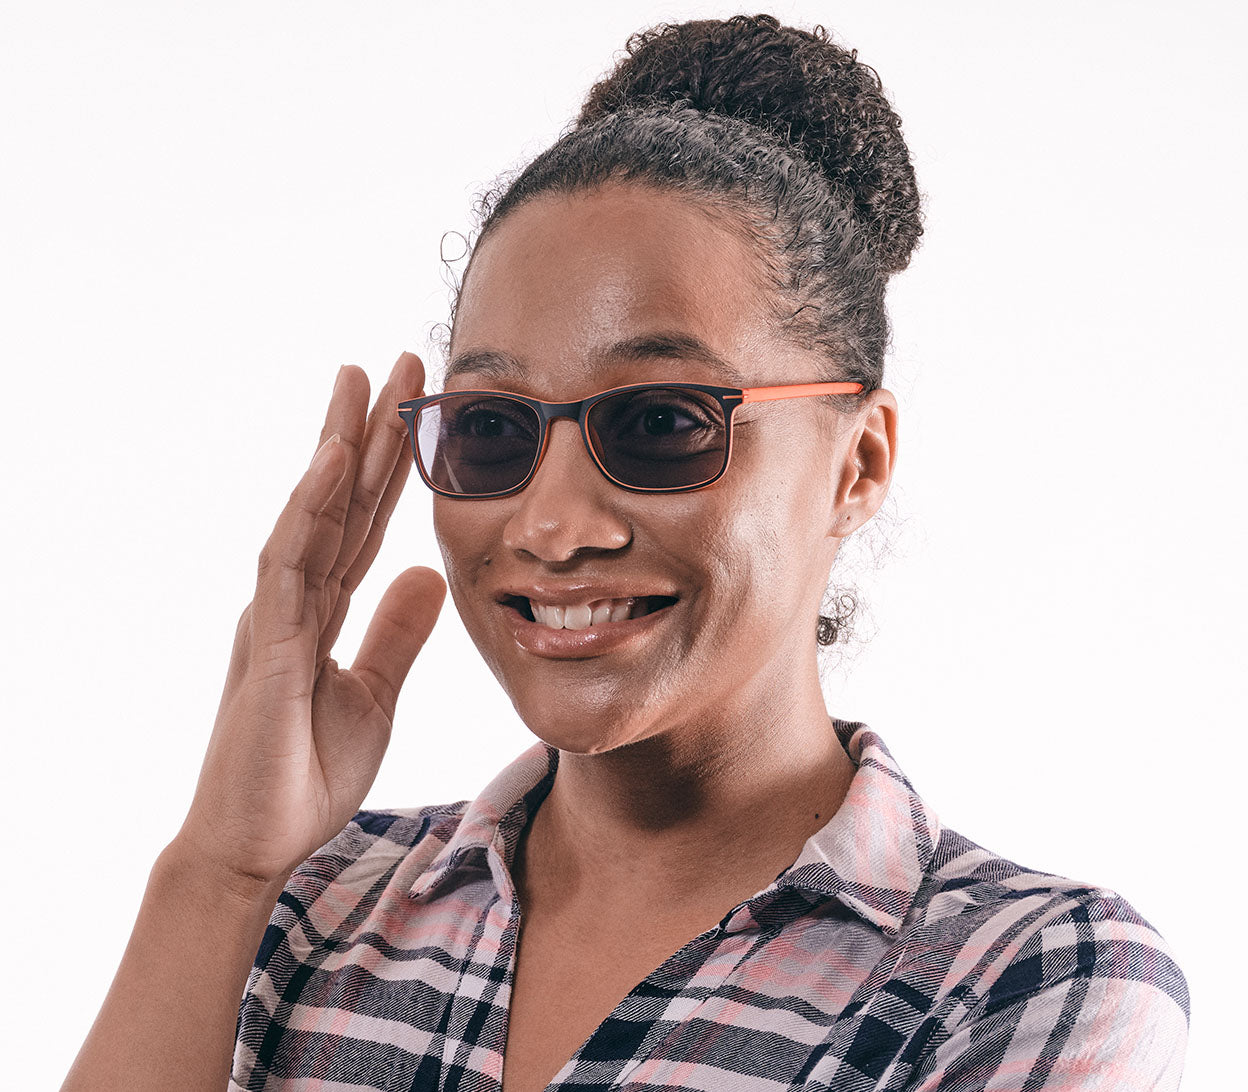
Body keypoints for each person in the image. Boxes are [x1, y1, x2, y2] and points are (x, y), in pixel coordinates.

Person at [60, 14, 1189, 1092]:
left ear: (857, 462)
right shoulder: (311, 913)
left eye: (660, 423)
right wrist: (220, 870)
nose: (554, 527)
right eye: (494, 430)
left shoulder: (1023, 979)